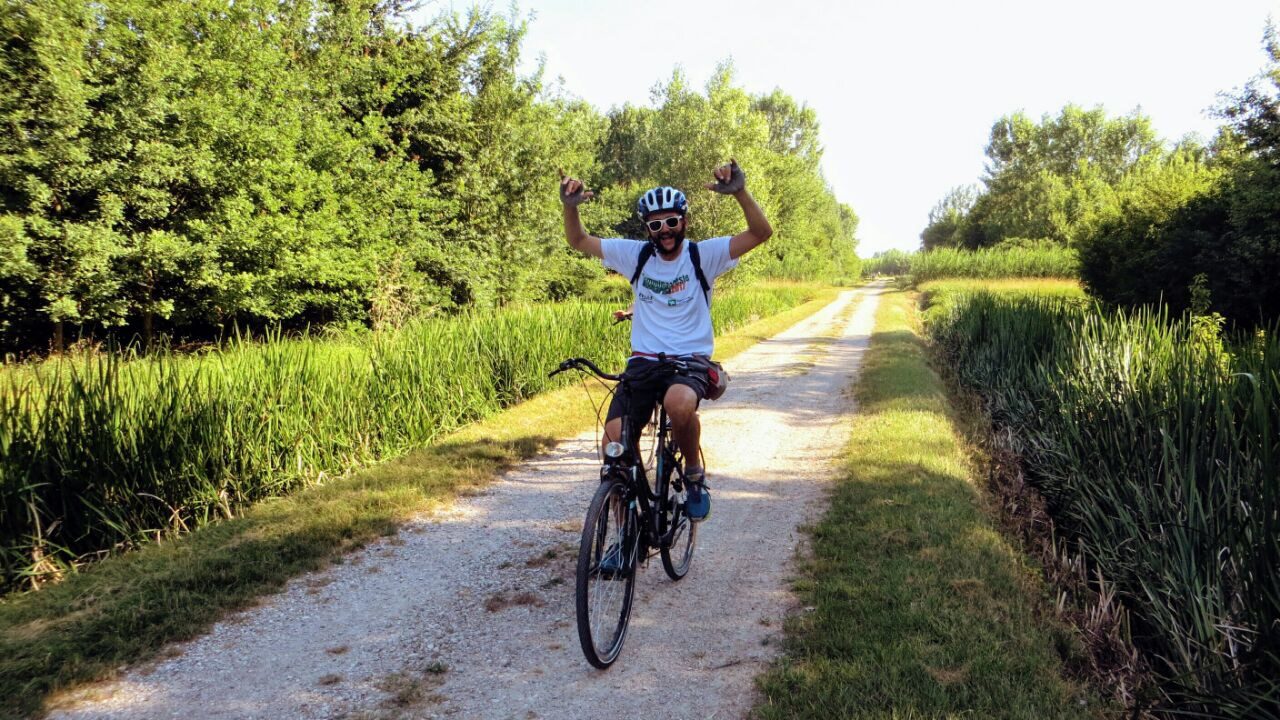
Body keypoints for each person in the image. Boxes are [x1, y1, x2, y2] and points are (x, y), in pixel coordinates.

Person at [559, 160, 772, 521]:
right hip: (643, 363)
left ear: (683, 221)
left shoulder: (703, 255)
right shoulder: (636, 255)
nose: (665, 231)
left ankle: (692, 472)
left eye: (672, 222)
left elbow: (761, 232)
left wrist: (740, 193)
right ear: (648, 229)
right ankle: (624, 534)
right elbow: (578, 240)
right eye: (656, 225)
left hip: (689, 361)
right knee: (614, 443)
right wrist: (570, 207)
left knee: (678, 403)